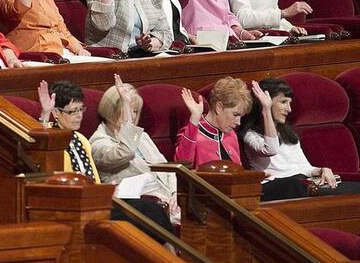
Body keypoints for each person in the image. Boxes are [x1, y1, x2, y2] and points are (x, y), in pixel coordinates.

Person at [37, 79, 175, 239]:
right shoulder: (53, 140)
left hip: (96, 201)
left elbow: (93, 179)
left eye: (81, 109)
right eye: (72, 111)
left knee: (151, 209)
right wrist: (45, 115)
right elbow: (41, 150)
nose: (79, 116)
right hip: (74, 206)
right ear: (56, 113)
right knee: (148, 210)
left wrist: (107, 190)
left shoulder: (81, 139)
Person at [241, 78, 360, 200]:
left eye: (289, 103)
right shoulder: (250, 134)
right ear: (265, 102)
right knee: (295, 184)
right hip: (278, 186)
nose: (289, 109)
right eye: (283, 102)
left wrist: (321, 170)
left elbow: (304, 168)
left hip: (303, 183)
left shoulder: (288, 133)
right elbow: (271, 149)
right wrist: (266, 109)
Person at [90, 74, 180, 224]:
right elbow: (126, 152)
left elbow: (167, 168)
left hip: (168, 198)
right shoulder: (98, 142)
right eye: (126, 109)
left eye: (134, 111)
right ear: (111, 109)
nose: (131, 116)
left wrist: (175, 193)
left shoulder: (141, 136)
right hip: (141, 206)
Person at [175, 76, 252, 168]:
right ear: (219, 107)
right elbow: (182, 166)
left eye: (241, 117)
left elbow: (239, 172)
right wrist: (194, 118)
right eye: (235, 115)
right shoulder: (191, 133)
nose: (238, 122)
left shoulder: (231, 135)